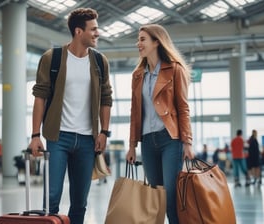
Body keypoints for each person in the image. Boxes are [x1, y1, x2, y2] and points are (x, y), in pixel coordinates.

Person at [28, 8, 112, 224]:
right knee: (51, 199)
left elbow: (106, 98)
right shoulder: (52, 58)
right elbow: (40, 97)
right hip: (58, 137)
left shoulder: (100, 62)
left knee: (80, 203)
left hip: (87, 140)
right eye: (93, 29)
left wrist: (104, 132)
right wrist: (35, 135)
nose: (97, 33)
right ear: (78, 31)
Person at [125, 24, 194, 224]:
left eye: (142, 39)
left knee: (171, 198)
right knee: (155, 200)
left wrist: (187, 143)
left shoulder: (175, 70)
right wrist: (132, 145)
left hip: (170, 140)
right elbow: (135, 112)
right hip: (147, 142)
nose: (138, 44)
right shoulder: (138, 75)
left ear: (157, 42)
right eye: (138, 40)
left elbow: (183, 108)